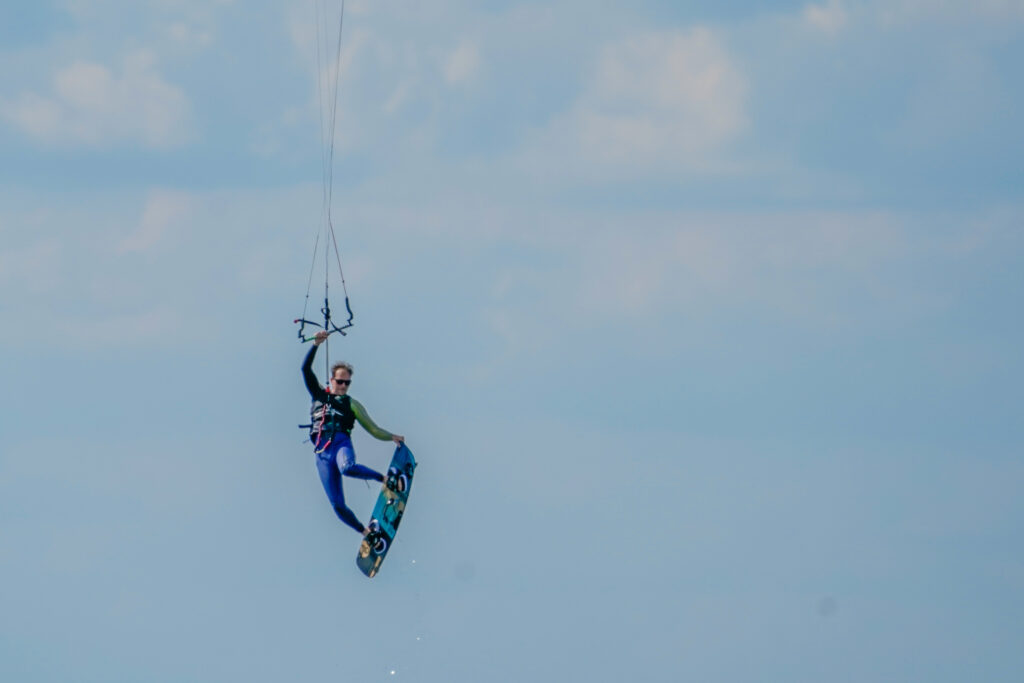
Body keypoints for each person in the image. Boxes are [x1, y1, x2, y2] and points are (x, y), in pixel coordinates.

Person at [302, 330, 404, 537]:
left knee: (347, 468)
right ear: (332, 380)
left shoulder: (352, 404)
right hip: (322, 453)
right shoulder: (318, 394)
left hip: (340, 444)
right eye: (339, 382)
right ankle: (365, 532)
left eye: (347, 383)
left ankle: (385, 479)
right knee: (337, 506)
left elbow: (373, 429)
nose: (343, 386)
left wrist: (392, 436)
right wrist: (316, 345)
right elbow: (305, 369)